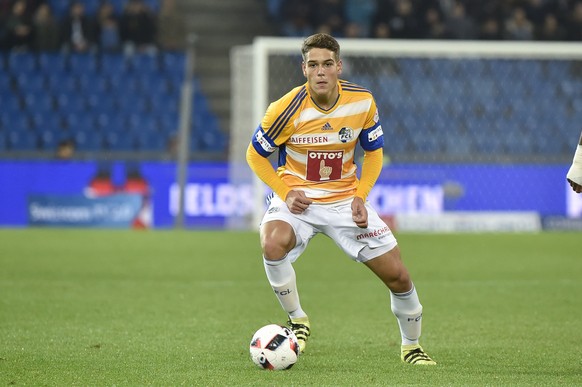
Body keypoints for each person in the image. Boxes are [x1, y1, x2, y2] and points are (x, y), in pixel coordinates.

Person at [245, 33, 436, 365]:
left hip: (345, 201)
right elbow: (255, 155)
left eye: (327, 64)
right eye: (314, 65)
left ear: (339, 66)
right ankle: (298, 320)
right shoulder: (284, 109)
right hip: (298, 201)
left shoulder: (362, 101)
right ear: (303, 68)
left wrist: (361, 196)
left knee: (398, 276)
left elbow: (374, 155)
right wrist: (286, 193)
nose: (321, 72)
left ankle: (411, 347)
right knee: (272, 243)